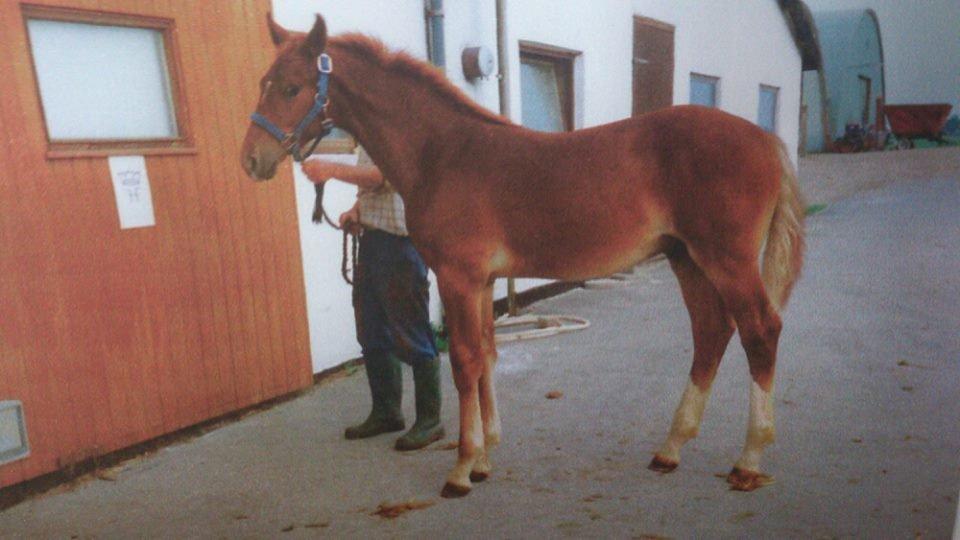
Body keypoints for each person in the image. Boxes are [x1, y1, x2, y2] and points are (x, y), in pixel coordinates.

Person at [302, 147, 443, 451]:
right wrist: (358, 210)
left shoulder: (395, 127)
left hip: (402, 245)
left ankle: (431, 421)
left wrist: (330, 168)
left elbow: (382, 177)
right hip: (373, 240)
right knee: (371, 331)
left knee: (413, 333)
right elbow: (373, 189)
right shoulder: (367, 136)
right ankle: (387, 412)